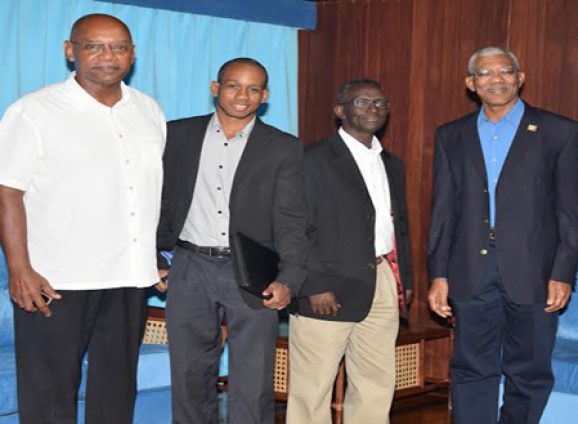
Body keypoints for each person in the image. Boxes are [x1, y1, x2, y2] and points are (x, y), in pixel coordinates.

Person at [0, 14, 166, 423]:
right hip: (56, 279)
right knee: (49, 393)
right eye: (95, 46)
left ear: (133, 53)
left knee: (116, 389)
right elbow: (7, 192)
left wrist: (153, 260)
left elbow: (147, 193)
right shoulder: (34, 111)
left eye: (119, 46)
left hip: (127, 277)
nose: (108, 56)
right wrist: (20, 269)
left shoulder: (148, 110)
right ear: (70, 51)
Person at [427, 46, 578, 423]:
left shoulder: (560, 131)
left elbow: (569, 211)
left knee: (529, 371)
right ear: (471, 83)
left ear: (520, 77)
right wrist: (439, 274)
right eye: (485, 73)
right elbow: (443, 210)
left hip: (534, 271)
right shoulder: (451, 135)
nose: (496, 79)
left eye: (505, 71)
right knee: (469, 367)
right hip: (470, 269)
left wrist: (562, 272)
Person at [155, 57, 306, 423]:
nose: (243, 95)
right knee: (190, 372)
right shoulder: (176, 135)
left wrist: (289, 278)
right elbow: (155, 201)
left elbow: (292, 219)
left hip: (253, 272)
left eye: (253, 88)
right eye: (234, 85)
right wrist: (155, 259)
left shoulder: (283, 147)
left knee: (253, 378)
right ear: (215, 88)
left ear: (265, 95)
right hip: (189, 267)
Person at [286, 79, 413, 424]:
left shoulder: (391, 163)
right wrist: (314, 284)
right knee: (312, 389)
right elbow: (293, 229)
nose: (373, 109)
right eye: (362, 102)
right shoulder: (310, 160)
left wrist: (406, 280)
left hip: (382, 279)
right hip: (326, 287)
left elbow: (397, 226)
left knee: (376, 382)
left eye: (380, 104)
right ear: (339, 110)